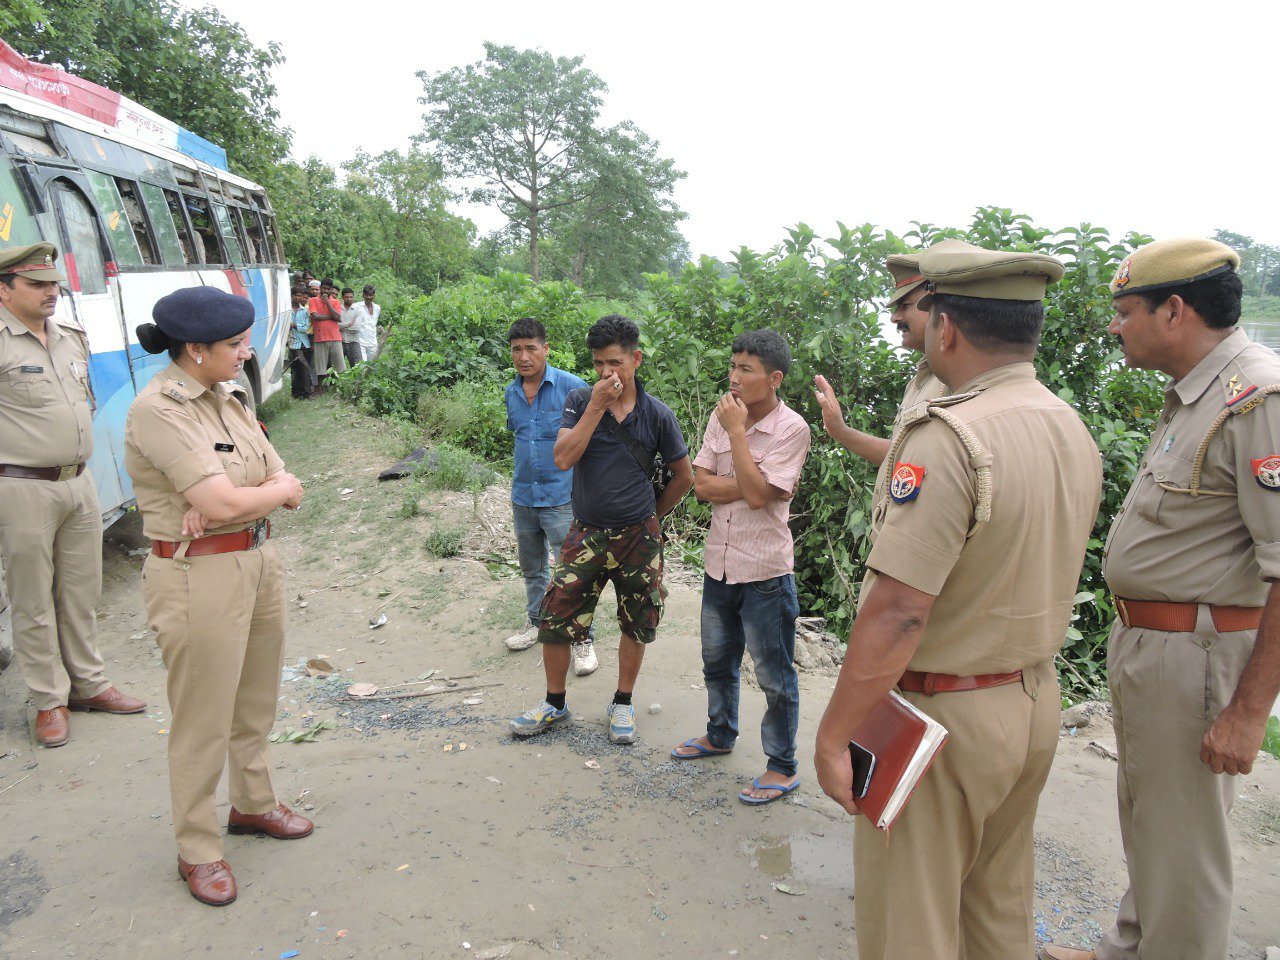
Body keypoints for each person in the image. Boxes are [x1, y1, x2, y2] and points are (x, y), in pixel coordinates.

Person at [813, 241, 1102, 960]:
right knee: (995, 916)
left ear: (946, 327)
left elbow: (899, 611)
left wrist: (832, 733)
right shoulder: (1066, 424)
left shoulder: (949, 435)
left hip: (943, 718)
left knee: (910, 926)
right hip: (1031, 702)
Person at [1043, 239, 1280, 960]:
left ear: (1174, 310)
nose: (1114, 327)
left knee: (1187, 850)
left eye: (1124, 312)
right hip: (1155, 646)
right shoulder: (1197, 395)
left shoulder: (1256, 398)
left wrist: (1245, 713)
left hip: (1198, 656)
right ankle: (1131, 948)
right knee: (1152, 822)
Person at [125, 286, 313, 907]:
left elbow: (285, 478)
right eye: (234, 344)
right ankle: (199, 847)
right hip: (195, 576)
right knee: (203, 718)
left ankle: (253, 805)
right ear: (195, 348)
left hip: (256, 560)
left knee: (255, 699)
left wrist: (248, 498)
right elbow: (228, 500)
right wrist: (249, 497)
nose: (246, 352)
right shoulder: (160, 409)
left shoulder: (228, 397)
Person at [509, 314, 692, 744]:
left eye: (615, 363)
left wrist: (652, 517)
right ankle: (555, 703)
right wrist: (595, 405)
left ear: (636, 359)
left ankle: (623, 703)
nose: (607, 374)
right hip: (586, 531)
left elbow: (685, 477)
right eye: (598, 365)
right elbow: (562, 458)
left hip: (638, 537)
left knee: (637, 620)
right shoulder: (577, 401)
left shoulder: (657, 415)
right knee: (555, 618)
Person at [0, 242, 145, 748]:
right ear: (5, 289)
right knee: (32, 600)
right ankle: (48, 701)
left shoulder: (71, 338)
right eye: (37, 284)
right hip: (21, 487)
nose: (50, 292)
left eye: (54, 283)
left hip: (78, 482)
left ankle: (89, 684)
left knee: (81, 591)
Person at [670, 330, 811, 804]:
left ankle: (782, 765)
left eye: (744, 370)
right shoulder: (721, 413)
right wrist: (749, 480)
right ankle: (720, 734)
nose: (733, 378)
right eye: (732, 367)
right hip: (720, 564)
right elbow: (703, 486)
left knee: (773, 674)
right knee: (717, 661)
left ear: (774, 379)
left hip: (766, 573)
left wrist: (736, 439)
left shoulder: (792, 429)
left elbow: (757, 496)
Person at [501, 317, 597, 676]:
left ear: (546, 348)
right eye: (516, 349)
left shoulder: (573, 388)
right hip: (523, 495)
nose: (523, 356)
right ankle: (536, 622)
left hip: (562, 496)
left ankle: (582, 638)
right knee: (533, 568)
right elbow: (521, 439)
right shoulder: (512, 392)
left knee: (573, 570)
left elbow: (594, 437)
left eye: (531, 348)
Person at [814, 244, 950, 469]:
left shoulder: (960, 380)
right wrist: (839, 430)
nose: (895, 318)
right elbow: (900, 456)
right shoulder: (921, 380)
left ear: (937, 307)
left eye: (905, 305)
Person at [308, 278, 345, 391]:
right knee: (321, 367)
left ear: (331, 290)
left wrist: (327, 302)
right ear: (320, 288)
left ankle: (340, 388)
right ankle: (320, 390)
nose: (326, 291)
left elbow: (338, 318)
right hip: (320, 337)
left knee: (339, 366)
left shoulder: (336, 302)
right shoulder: (313, 300)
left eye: (328, 289)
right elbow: (315, 316)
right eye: (324, 288)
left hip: (335, 337)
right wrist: (331, 317)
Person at [287, 286, 312, 400]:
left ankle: (298, 393)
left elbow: (306, 327)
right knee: (303, 366)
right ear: (291, 296)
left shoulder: (304, 311)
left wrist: (294, 325)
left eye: (300, 296)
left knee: (299, 367)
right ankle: (307, 393)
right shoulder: (287, 310)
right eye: (296, 295)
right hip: (293, 343)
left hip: (304, 342)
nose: (298, 298)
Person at [338, 287, 363, 368]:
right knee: (336, 367)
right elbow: (334, 326)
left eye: (351, 297)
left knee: (357, 367)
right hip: (339, 341)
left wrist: (341, 327)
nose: (349, 299)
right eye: (346, 297)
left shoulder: (358, 310)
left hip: (353, 341)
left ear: (353, 297)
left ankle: (357, 381)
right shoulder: (337, 309)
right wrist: (348, 324)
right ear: (342, 297)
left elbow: (356, 328)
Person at [356, 285, 380, 362]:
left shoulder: (377, 308)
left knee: (372, 366)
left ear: (374, 296)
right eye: (367, 295)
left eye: (371, 295)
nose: (369, 297)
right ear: (363, 295)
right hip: (360, 341)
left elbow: (373, 324)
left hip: (373, 342)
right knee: (362, 365)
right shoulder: (357, 306)